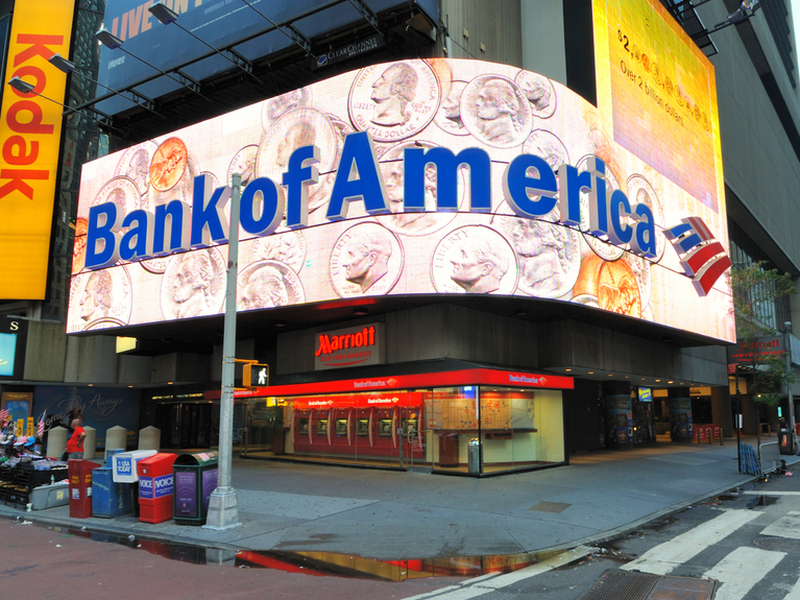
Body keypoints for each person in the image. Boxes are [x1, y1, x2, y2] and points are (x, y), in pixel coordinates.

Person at [475, 79, 522, 144]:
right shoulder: (490, 133)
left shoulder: (506, 138)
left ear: (499, 104)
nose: (477, 103)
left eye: (483, 99)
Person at [172, 251, 215, 318]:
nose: (175, 284)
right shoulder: (186, 313)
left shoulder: (202, 314)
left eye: (181, 277)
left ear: (196, 281)